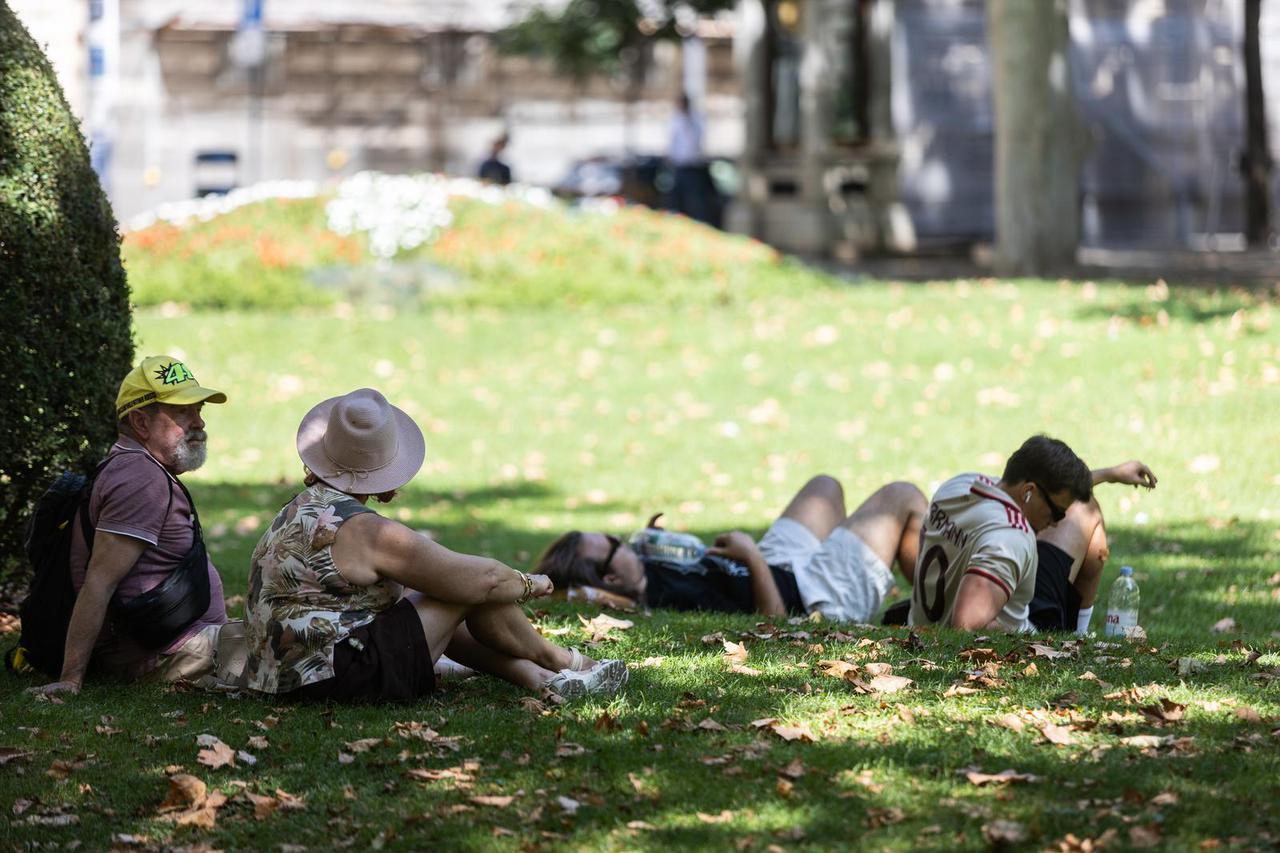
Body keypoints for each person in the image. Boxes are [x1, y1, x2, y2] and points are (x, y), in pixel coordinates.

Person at [242, 388, 627, 703]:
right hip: (337, 678)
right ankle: (565, 661)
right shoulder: (363, 529)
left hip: (285, 677)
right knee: (466, 587)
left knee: (438, 594)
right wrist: (533, 583)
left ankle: (537, 676)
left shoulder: (300, 509)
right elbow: (481, 581)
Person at [29, 356, 230, 695]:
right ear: (140, 421)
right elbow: (99, 582)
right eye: (183, 412)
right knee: (301, 647)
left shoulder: (137, 467)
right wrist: (70, 679)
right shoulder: (138, 479)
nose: (198, 422)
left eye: (199, 410)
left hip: (184, 643)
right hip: (170, 653)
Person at [535, 477, 927, 623]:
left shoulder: (644, 571)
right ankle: (933, 609)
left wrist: (660, 546)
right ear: (610, 578)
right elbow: (772, 623)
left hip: (779, 564)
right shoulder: (663, 598)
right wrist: (751, 556)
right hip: (810, 597)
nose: (623, 540)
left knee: (825, 487)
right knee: (902, 496)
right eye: (614, 544)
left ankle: (908, 595)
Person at [908, 434, 1157, 633]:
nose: (1057, 522)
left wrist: (1109, 475)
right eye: (1057, 512)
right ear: (1028, 492)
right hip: (1027, 638)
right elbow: (965, 626)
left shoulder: (960, 485)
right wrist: (1027, 636)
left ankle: (1080, 633)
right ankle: (1078, 636)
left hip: (926, 622)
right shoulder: (1012, 538)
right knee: (1088, 511)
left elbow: (1036, 488)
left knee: (1083, 504)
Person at [665, 93, 714, 225]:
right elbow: (673, 142)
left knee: (695, 201)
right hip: (680, 166)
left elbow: (695, 142)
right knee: (677, 200)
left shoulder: (696, 119)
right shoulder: (676, 119)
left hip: (693, 167)